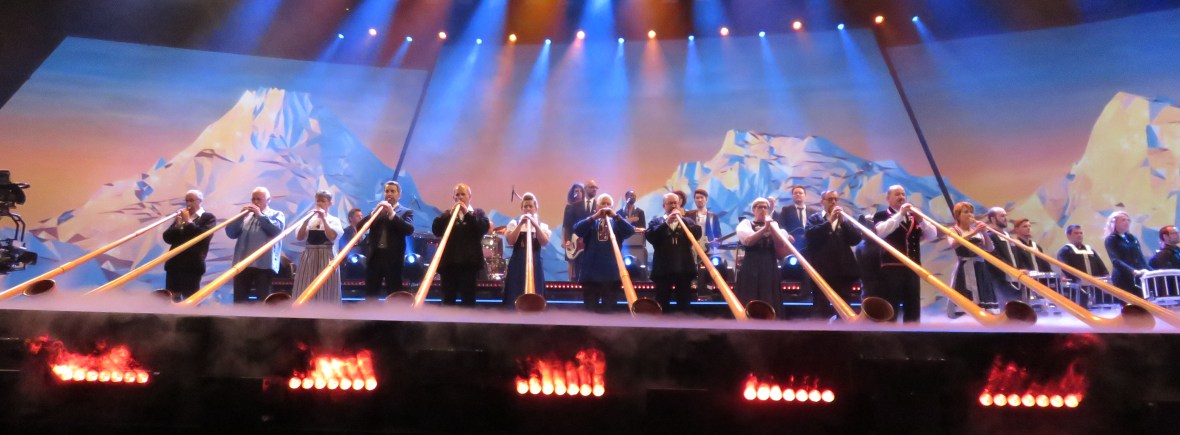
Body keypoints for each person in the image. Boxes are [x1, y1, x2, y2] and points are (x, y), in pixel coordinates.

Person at [872, 185, 937, 322]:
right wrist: (900, 214)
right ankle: (889, 333)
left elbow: (932, 235)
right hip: (892, 267)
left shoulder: (914, 217)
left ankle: (912, 333)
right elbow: (880, 232)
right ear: (888, 198)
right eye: (897, 194)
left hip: (913, 267)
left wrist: (921, 220)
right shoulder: (881, 215)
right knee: (891, 306)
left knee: (913, 307)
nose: (901, 197)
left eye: (903, 194)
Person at [803, 190, 862, 320]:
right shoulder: (815, 218)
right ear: (822, 202)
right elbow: (810, 236)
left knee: (844, 307)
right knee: (821, 307)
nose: (834, 202)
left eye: (836, 199)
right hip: (821, 272)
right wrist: (829, 222)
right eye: (830, 200)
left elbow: (856, 239)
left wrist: (844, 223)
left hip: (843, 272)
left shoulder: (844, 220)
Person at [574, 193, 635, 313]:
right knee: (590, 311)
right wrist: (594, 217)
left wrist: (616, 217)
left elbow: (630, 231)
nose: (606, 206)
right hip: (591, 274)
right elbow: (577, 230)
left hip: (611, 275)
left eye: (608, 204)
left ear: (612, 207)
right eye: (603, 203)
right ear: (597, 206)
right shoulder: (591, 222)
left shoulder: (616, 223)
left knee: (609, 311)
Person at [433, 183, 491, 306]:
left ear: (470, 196)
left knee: (468, 301)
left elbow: (483, 228)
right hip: (449, 265)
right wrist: (450, 214)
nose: (460, 197)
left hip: (469, 265)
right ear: (453, 198)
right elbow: (436, 230)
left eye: (463, 194)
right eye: (457, 195)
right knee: (448, 300)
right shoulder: (447, 214)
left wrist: (467, 214)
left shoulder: (478, 213)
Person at [225, 187, 286, 303]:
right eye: (253, 199)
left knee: (263, 301)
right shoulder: (246, 216)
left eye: (259, 199)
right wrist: (240, 217)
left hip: (264, 265)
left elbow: (277, 231)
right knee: (239, 301)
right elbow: (231, 233)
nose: (255, 202)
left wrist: (259, 215)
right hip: (242, 264)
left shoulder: (276, 214)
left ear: (268, 200)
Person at [646, 193, 702, 314]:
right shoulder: (656, 221)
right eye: (670, 203)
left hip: (684, 268)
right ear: (664, 206)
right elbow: (650, 236)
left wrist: (683, 220)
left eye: (675, 203)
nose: (673, 206)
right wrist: (666, 223)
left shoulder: (688, 221)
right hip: (662, 269)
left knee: (684, 304)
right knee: (662, 303)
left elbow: (697, 234)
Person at [736, 197, 792, 319]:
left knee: (769, 294)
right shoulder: (746, 224)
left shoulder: (774, 225)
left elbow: (780, 243)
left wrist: (771, 228)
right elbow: (748, 241)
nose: (763, 210)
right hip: (751, 265)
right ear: (753, 210)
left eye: (765, 207)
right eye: (759, 207)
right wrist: (764, 229)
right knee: (750, 293)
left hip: (769, 264)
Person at [357, 181, 415, 300]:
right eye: (387, 191)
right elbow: (359, 228)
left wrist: (392, 213)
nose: (389, 194)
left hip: (393, 259)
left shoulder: (406, 212)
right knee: (371, 294)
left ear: (399, 194)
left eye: (393, 191)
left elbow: (409, 230)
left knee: (394, 294)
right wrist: (373, 213)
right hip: (375, 258)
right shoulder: (376, 212)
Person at [161, 189, 216, 301]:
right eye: (186, 201)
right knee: (172, 300)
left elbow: (203, 237)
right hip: (174, 265)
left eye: (191, 200)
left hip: (192, 266)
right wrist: (177, 226)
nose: (188, 204)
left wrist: (189, 222)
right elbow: (167, 238)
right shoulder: (181, 217)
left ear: (200, 201)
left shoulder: (208, 217)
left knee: (190, 300)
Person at [945, 202, 998, 317]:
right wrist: (974, 232)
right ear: (958, 216)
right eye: (966, 212)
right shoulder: (954, 230)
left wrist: (984, 232)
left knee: (984, 296)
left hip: (981, 268)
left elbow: (990, 248)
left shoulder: (977, 231)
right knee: (968, 295)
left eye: (971, 212)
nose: (970, 215)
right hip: (965, 268)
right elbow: (953, 244)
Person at [292, 191, 345, 303]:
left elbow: (332, 236)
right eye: (318, 201)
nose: (320, 204)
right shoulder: (309, 219)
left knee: (326, 285)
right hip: (309, 256)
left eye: (323, 201)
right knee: (305, 284)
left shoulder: (334, 220)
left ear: (330, 203)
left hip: (326, 255)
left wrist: (324, 219)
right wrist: (306, 221)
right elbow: (300, 237)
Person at [502, 193, 550, 306]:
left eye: (530, 206)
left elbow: (544, 242)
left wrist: (535, 225)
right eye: (525, 206)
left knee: (536, 288)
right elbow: (510, 241)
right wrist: (520, 225)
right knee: (515, 289)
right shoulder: (514, 223)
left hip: (535, 262)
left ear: (536, 208)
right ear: (521, 209)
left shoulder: (542, 226)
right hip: (517, 262)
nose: (528, 209)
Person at [1056, 224, 1109, 308]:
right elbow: (1066, 268)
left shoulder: (1090, 250)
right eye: (1076, 233)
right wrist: (1079, 279)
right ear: (1068, 235)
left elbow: (1100, 265)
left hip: (1095, 284)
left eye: (1081, 233)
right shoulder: (1064, 251)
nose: (1079, 235)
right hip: (1076, 286)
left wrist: (1106, 275)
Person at [1105, 211, 1150, 298]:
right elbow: (1116, 260)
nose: (1127, 222)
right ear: (1114, 223)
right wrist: (1133, 271)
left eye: (1128, 220)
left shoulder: (1132, 238)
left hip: (1138, 277)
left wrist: (1150, 270)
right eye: (1123, 220)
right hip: (1123, 278)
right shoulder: (1111, 239)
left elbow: (1140, 257)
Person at [984, 207, 1020, 302]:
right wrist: (1012, 270)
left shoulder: (1008, 236)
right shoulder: (990, 236)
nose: (1005, 218)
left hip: (1014, 278)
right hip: (1000, 279)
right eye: (1002, 216)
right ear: (993, 219)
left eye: (1005, 215)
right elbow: (994, 257)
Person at [562, 182, 590, 279]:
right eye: (576, 191)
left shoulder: (587, 207)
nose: (578, 193)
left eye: (580, 191)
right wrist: (564, 240)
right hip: (571, 236)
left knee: (583, 260)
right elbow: (565, 225)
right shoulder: (569, 207)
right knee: (571, 260)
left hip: (582, 238)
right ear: (572, 193)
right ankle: (571, 282)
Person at [338, 208, 366, 280]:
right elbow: (342, 248)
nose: (361, 218)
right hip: (350, 263)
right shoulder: (345, 232)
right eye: (357, 216)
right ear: (351, 218)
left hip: (362, 263)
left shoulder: (363, 231)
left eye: (361, 216)